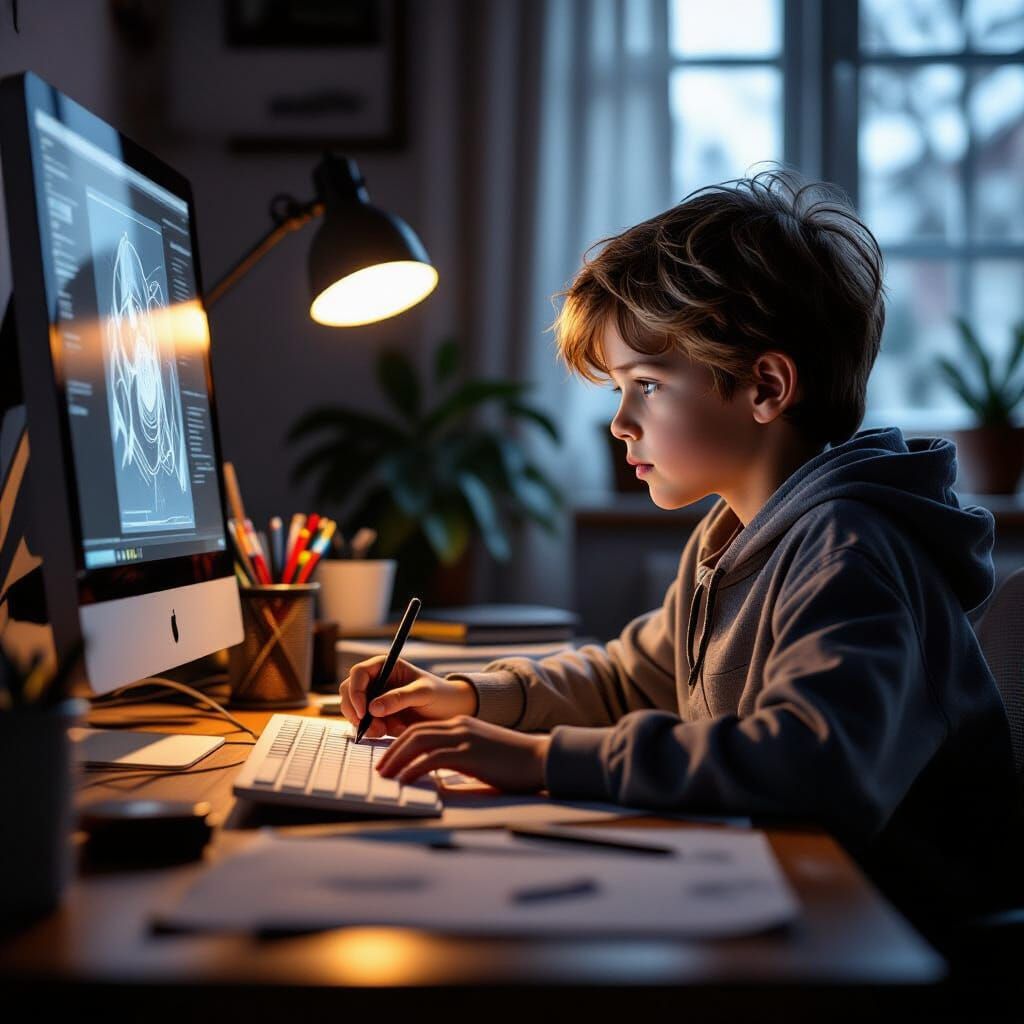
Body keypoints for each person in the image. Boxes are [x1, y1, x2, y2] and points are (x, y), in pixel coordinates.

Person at [338, 168, 1024, 950]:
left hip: (892, 942)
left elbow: (811, 765)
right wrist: (468, 699)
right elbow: (635, 678)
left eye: (647, 385)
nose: (621, 424)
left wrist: (538, 760)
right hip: (800, 898)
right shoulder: (734, 533)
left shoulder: (850, 549)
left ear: (765, 387)